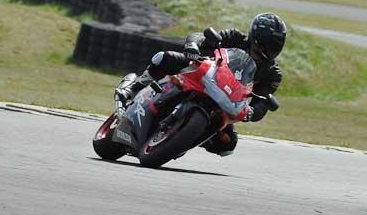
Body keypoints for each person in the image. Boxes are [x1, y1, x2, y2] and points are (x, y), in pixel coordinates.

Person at [115, 12, 287, 157]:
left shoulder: (272, 74)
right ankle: (131, 89)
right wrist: (193, 47)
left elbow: (262, 103)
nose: (267, 51)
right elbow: (200, 37)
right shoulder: (234, 37)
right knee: (164, 58)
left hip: (224, 100)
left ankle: (184, 136)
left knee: (227, 144)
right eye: (263, 46)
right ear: (254, 38)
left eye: (274, 46)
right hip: (200, 74)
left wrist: (252, 112)